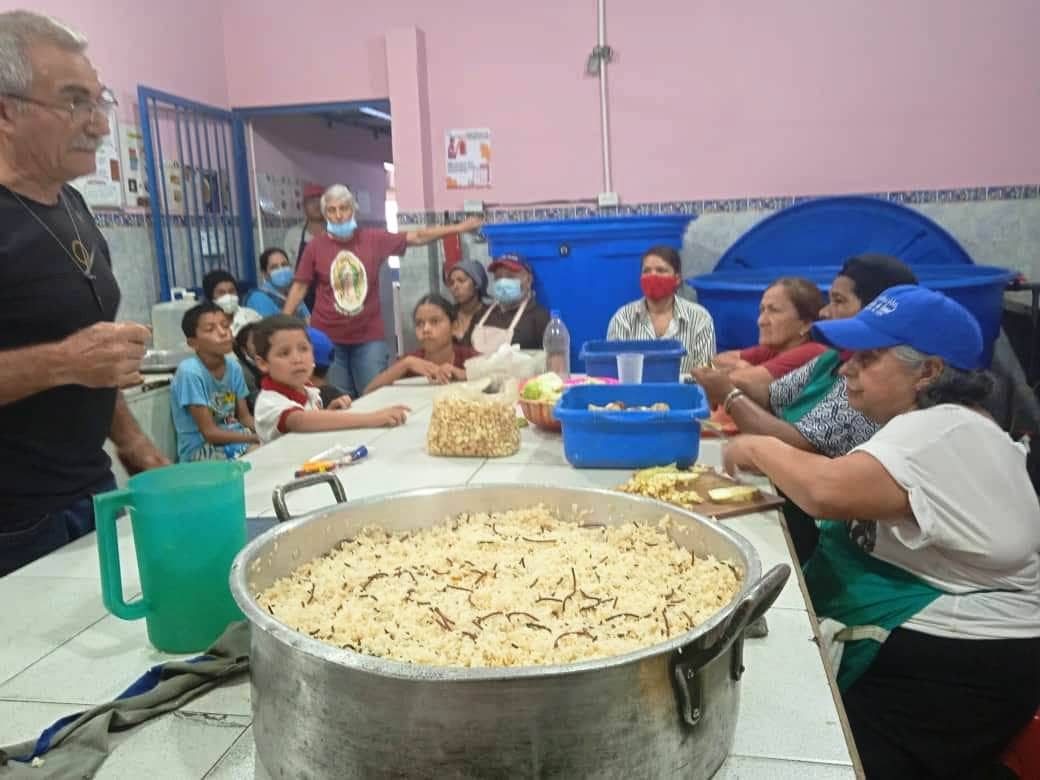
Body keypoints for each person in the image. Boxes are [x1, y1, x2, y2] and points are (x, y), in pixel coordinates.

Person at [721, 285, 1039, 779]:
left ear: (929, 372)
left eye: (868, 358)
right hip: (965, 652)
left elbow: (823, 490)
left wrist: (755, 447)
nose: (846, 368)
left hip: (962, 668)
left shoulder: (943, 429)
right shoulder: (943, 425)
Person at [0, 11, 168, 575]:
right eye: (74, 101)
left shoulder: (69, 204)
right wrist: (62, 363)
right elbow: (77, 358)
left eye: (100, 103)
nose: (98, 124)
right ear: (5, 109)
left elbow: (96, 361)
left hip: (89, 489)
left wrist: (135, 444)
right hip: (13, 521)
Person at [693, 254, 919, 562]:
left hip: (826, 533)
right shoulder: (833, 359)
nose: (825, 312)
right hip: (810, 515)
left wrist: (731, 397)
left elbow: (812, 466)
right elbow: (771, 393)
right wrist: (727, 383)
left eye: (839, 301)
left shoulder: (879, 394)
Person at [281, 184, 482, 398]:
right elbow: (300, 286)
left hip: (368, 337)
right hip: (329, 337)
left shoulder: (373, 239)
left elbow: (419, 236)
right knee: (340, 399)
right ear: (325, 214)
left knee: (375, 395)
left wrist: (460, 228)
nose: (339, 215)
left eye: (344, 208)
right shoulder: (315, 247)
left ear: (353, 209)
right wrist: (283, 323)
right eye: (332, 210)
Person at [251, 315, 410, 443]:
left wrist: (327, 413)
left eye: (304, 349)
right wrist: (373, 418)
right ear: (263, 363)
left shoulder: (308, 389)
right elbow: (300, 421)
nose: (297, 359)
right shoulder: (269, 402)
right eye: (284, 353)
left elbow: (309, 425)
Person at [607, 246, 716, 374]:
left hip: (683, 393)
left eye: (661, 270)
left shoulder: (700, 318)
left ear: (677, 279)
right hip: (634, 393)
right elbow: (612, 373)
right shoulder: (622, 318)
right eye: (646, 271)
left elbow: (707, 373)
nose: (653, 276)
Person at [171, 303, 259, 461]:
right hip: (201, 449)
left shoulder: (233, 367)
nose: (223, 333)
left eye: (225, 326)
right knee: (258, 454)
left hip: (236, 436)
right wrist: (255, 438)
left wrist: (266, 431)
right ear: (193, 343)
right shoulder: (190, 372)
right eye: (210, 329)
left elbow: (245, 417)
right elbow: (209, 433)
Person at [713, 277, 826, 384]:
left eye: (774, 310)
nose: (761, 321)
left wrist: (746, 370)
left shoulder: (812, 352)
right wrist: (742, 366)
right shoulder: (775, 349)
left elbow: (740, 380)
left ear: (806, 324)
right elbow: (718, 361)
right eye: (762, 310)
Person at [364, 294, 478, 394]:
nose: (426, 329)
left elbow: (494, 377)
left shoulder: (469, 358)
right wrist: (406, 364)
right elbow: (368, 391)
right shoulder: (410, 362)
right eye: (419, 323)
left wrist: (465, 374)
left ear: (454, 327)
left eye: (435, 321)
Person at [471, 254, 551, 352]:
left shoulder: (540, 318)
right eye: (498, 277)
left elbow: (555, 361)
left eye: (510, 276)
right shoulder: (481, 314)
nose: (503, 282)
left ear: (529, 280)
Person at [244, 247, 309, 319]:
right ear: (265, 274)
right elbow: (270, 328)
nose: (281, 269)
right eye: (274, 267)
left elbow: (308, 320)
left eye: (284, 265)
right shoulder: (258, 298)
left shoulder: (293, 292)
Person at [202, 269, 261, 336]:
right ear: (210, 298)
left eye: (231, 291)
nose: (228, 296)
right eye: (221, 293)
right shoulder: (204, 322)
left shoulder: (251, 316)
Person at [445, 259, 489, 347]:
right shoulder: (447, 315)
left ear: (477, 284)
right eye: (452, 283)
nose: (455, 287)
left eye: (461, 280)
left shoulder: (491, 315)